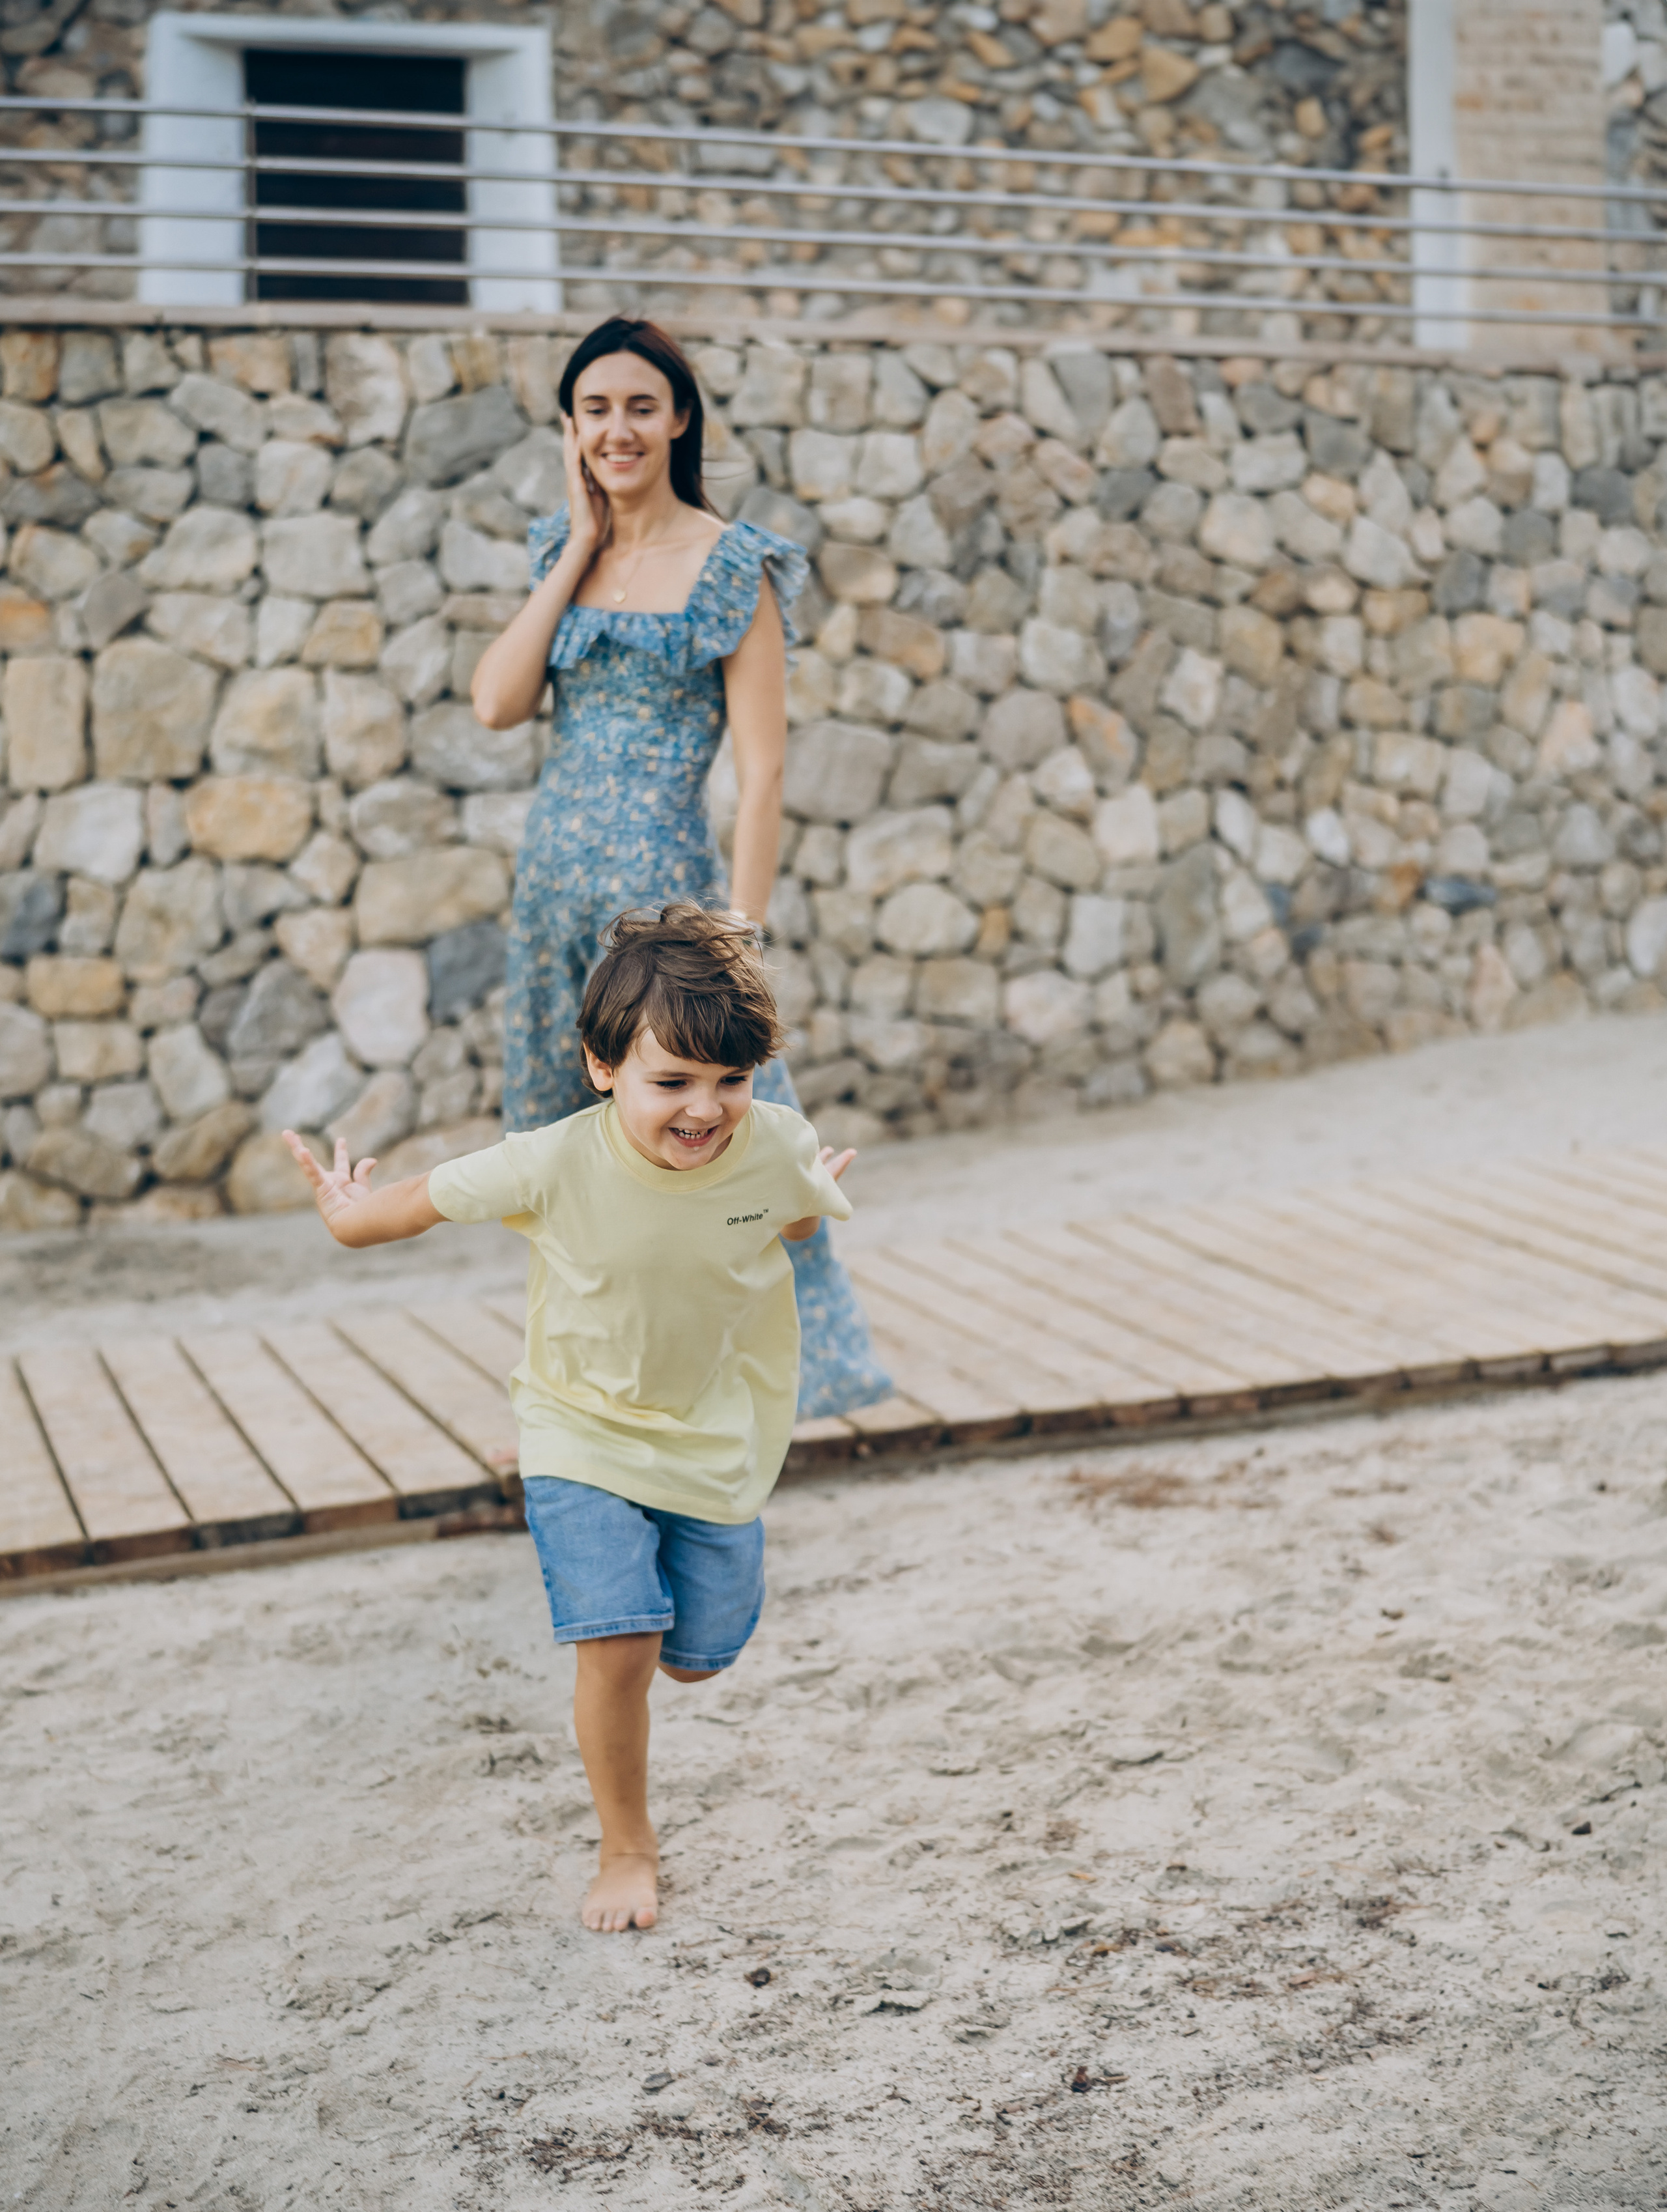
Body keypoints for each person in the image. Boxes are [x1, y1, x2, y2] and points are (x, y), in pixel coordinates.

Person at [283, 905, 856, 1934]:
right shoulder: (549, 1162)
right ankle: (627, 1846)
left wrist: (801, 1192)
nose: (706, 1108)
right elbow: (410, 1205)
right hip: (575, 1432)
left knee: (696, 1656)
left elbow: (800, 1217)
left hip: (711, 1437)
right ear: (602, 1068)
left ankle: (672, 1625)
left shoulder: (773, 1144)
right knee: (620, 1643)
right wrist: (346, 1213)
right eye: (671, 1082)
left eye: (731, 1080)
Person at [468, 313, 890, 1422]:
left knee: (731, 1145)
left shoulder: (734, 565)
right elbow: (496, 703)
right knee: (565, 1160)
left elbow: (764, 770)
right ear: (571, 428)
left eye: (640, 407)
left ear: (680, 418)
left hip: (667, 912)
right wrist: (577, 544)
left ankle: (775, 1381)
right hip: (552, 903)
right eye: (595, 410)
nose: (618, 429)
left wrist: (739, 933)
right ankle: (592, 1396)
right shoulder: (560, 554)